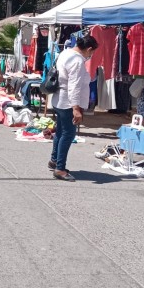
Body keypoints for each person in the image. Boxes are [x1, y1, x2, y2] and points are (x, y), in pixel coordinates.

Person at [49, 35, 98, 182]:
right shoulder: (76, 60)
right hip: (68, 102)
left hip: (60, 99)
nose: (91, 55)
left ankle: (54, 160)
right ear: (89, 49)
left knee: (60, 131)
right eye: (92, 52)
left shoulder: (66, 53)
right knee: (68, 134)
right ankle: (60, 168)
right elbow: (74, 86)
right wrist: (76, 108)